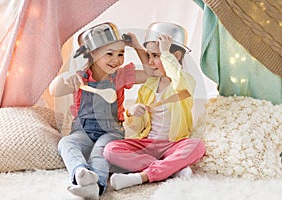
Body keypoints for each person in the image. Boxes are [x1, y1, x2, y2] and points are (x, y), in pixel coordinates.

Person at [49, 22, 150, 199]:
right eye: (109, 53)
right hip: (83, 131)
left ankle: (97, 186)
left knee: (100, 151)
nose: (116, 59)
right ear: (93, 53)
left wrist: (137, 47)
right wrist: (65, 77)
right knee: (65, 143)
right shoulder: (79, 78)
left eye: (121, 53)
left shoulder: (121, 76)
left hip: (111, 131)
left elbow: (151, 73)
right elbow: (54, 91)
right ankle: (81, 172)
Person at [103, 22, 206, 190]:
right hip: (148, 144)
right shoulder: (149, 85)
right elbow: (138, 127)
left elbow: (178, 81)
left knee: (197, 146)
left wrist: (165, 52)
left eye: (156, 56)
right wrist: (132, 114)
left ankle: (143, 176)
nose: (150, 62)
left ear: (176, 56)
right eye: (149, 56)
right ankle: (171, 169)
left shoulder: (185, 82)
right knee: (110, 150)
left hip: (174, 144)